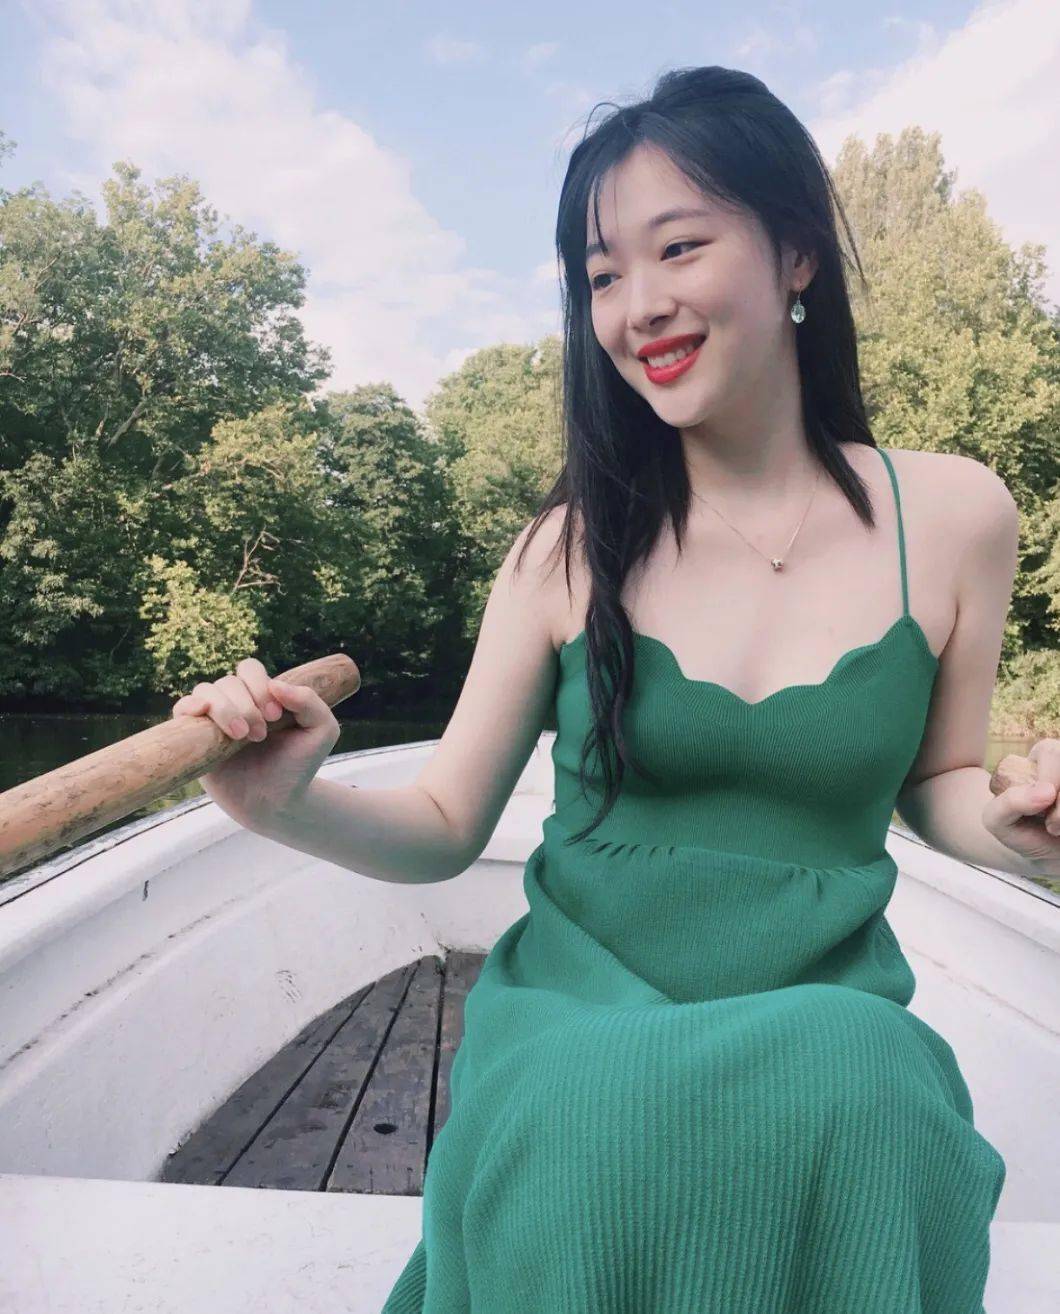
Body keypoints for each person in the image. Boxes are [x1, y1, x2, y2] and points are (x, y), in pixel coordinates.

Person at [173, 66, 1060, 1314]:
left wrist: (1022, 829)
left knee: (865, 1081)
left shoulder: (958, 513)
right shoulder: (565, 550)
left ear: (797, 253)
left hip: (821, 994)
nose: (638, 305)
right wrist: (280, 802)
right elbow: (443, 825)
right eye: (600, 275)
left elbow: (941, 780)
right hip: (577, 1005)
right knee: (590, 1112)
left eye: (678, 248)